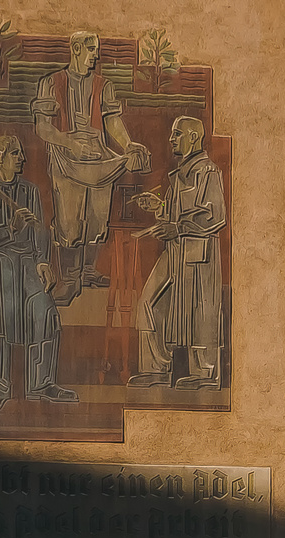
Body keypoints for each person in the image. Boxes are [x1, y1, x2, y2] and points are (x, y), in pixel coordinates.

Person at [31, 31, 150, 303]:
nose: (96, 55)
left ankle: (87, 271)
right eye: (91, 50)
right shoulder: (51, 83)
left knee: (97, 218)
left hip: (97, 160)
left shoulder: (103, 85)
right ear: (75, 48)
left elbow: (112, 121)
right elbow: (42, 126)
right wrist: (69, 143)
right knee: (69, 221)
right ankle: (70, 279)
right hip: (65, 161)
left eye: (96, 50)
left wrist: (128, 145)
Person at [0, 136, 78, 412]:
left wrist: (42, 261)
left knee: (45, 313)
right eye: (16, 154)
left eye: (21, 154)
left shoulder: (29, 191)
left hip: (27, 266)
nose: (22, 159)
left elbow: (39, 230)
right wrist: (10, 229)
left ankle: (42, 383)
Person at [129, 116, 226, 391]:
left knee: (201, 312)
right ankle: (156, 369)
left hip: (198, 253)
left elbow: (215, 216)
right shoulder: (181, 172)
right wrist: (158, 207)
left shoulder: (207, 171)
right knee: (148, 303)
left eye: (177, 134)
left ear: (193, 137)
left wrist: (179, 227)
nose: (171, 139)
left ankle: (206, 374)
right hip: (175, 251)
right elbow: (174, 213)